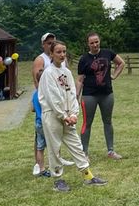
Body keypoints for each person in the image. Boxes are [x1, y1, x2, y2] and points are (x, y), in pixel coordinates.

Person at [38, 40, 107, 192]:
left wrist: (74, 113)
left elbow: (71, 94)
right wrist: (63, 116)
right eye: (58, 52)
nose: (62, 55)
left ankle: (88, 176)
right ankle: (58, 180)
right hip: (53, 115)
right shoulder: (48, 73)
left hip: (68, 115)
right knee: (54, 147)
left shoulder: (67, 72)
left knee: (76, 144)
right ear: (51, 54)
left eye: (64, 52)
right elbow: (53, 97)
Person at [76, 32, 125, 160]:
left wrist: (114, 76)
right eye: (92, 43)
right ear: (88, 44)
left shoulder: (108, 53)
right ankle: (84, 153)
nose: (95, 45)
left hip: (107, 94)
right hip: (89, 95)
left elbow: (121, 63)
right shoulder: (84, 59)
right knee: (87, 123)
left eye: (96, 42)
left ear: (100, 41)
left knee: (108, 122)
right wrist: (76, 96)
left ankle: (111, 151)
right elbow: (80, 79)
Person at [32, 32, 74, 172]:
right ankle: (40, 165)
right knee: (42, 135)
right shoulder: (40, 59)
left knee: (58, 134)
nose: (51, 44)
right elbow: (39, 82)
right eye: (48, 42)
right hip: (47, 104)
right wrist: (44, 102)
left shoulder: (61, 58)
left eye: (53, 41)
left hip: (61, 104)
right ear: (44, 45)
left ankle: (58, 159)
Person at [32, 69, 51, 177]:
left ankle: (42, 169)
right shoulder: (45, 93)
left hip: (38, 123)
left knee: (40, 147)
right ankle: (55, 167)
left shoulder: (35, 94)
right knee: (53, 146)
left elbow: (33, 109)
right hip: (46, 122)